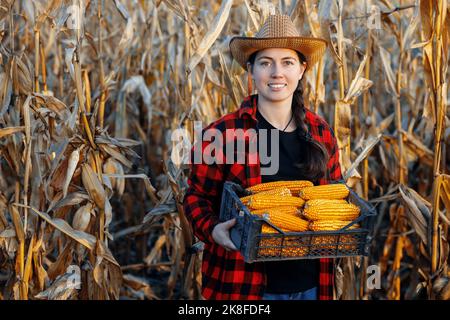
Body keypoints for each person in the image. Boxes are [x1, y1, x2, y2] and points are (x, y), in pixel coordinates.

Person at [183, 14, 342, 300]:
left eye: (288, 62)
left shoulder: (321, 132)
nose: (277, 73)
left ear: (302, 69)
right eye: (265, 62)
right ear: (251, 70)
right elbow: (195, 197)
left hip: (312, 284)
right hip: (245, 284)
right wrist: (213, 229)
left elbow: (335, 197)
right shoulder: (223, 134)